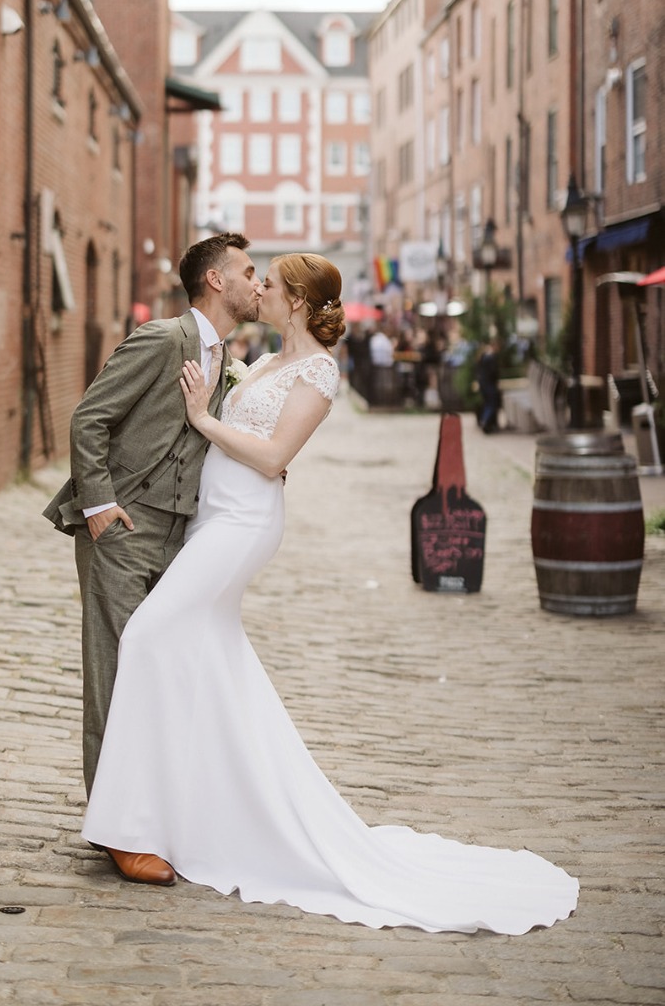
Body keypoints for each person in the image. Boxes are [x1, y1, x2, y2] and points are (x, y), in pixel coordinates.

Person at [80, 253, 579, 933]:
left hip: (242, 527)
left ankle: (130, 821)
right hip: (212, 521)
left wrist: (203, 419)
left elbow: (272, 457)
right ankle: (186, 812)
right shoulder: (261, 361)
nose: (259, 290)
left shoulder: (318, 372)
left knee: (144, 637)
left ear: (295, 300)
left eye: (271, 285)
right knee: (207, 664)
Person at [42, 232, 262, 885]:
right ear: (217, 281)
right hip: (124, 530)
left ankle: (156, 810)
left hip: (180, 538)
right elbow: (90, 418)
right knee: (115, 674)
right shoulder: (165, 339)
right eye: (250, 271)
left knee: (165, 674)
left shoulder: (228, 356)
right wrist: (100, 507)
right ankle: (116, 830)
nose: (259, 283)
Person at [477, 335, 502, 433]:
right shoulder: (491, 358)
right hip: (489, 384)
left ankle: (485, 420)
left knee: (487, 403)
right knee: (491, 404)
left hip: (483, 384)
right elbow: (493, 372)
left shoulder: (483, 356)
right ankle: (485, 421)